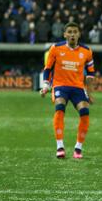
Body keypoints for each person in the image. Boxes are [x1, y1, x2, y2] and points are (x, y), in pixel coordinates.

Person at [40, 22, 95, 159]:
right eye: (69, 32)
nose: (72, 34)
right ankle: (60, 146)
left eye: (75, 32)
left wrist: (90, 92)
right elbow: (48, 69)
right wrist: (46, 85)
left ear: (79, 34)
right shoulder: (56, 48)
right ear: (64, 34)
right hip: (60, 86)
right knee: (60, 107)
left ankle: (78, 148)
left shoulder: (86, 51)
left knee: (85, 111)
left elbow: (90, 73)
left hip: (77, 87)